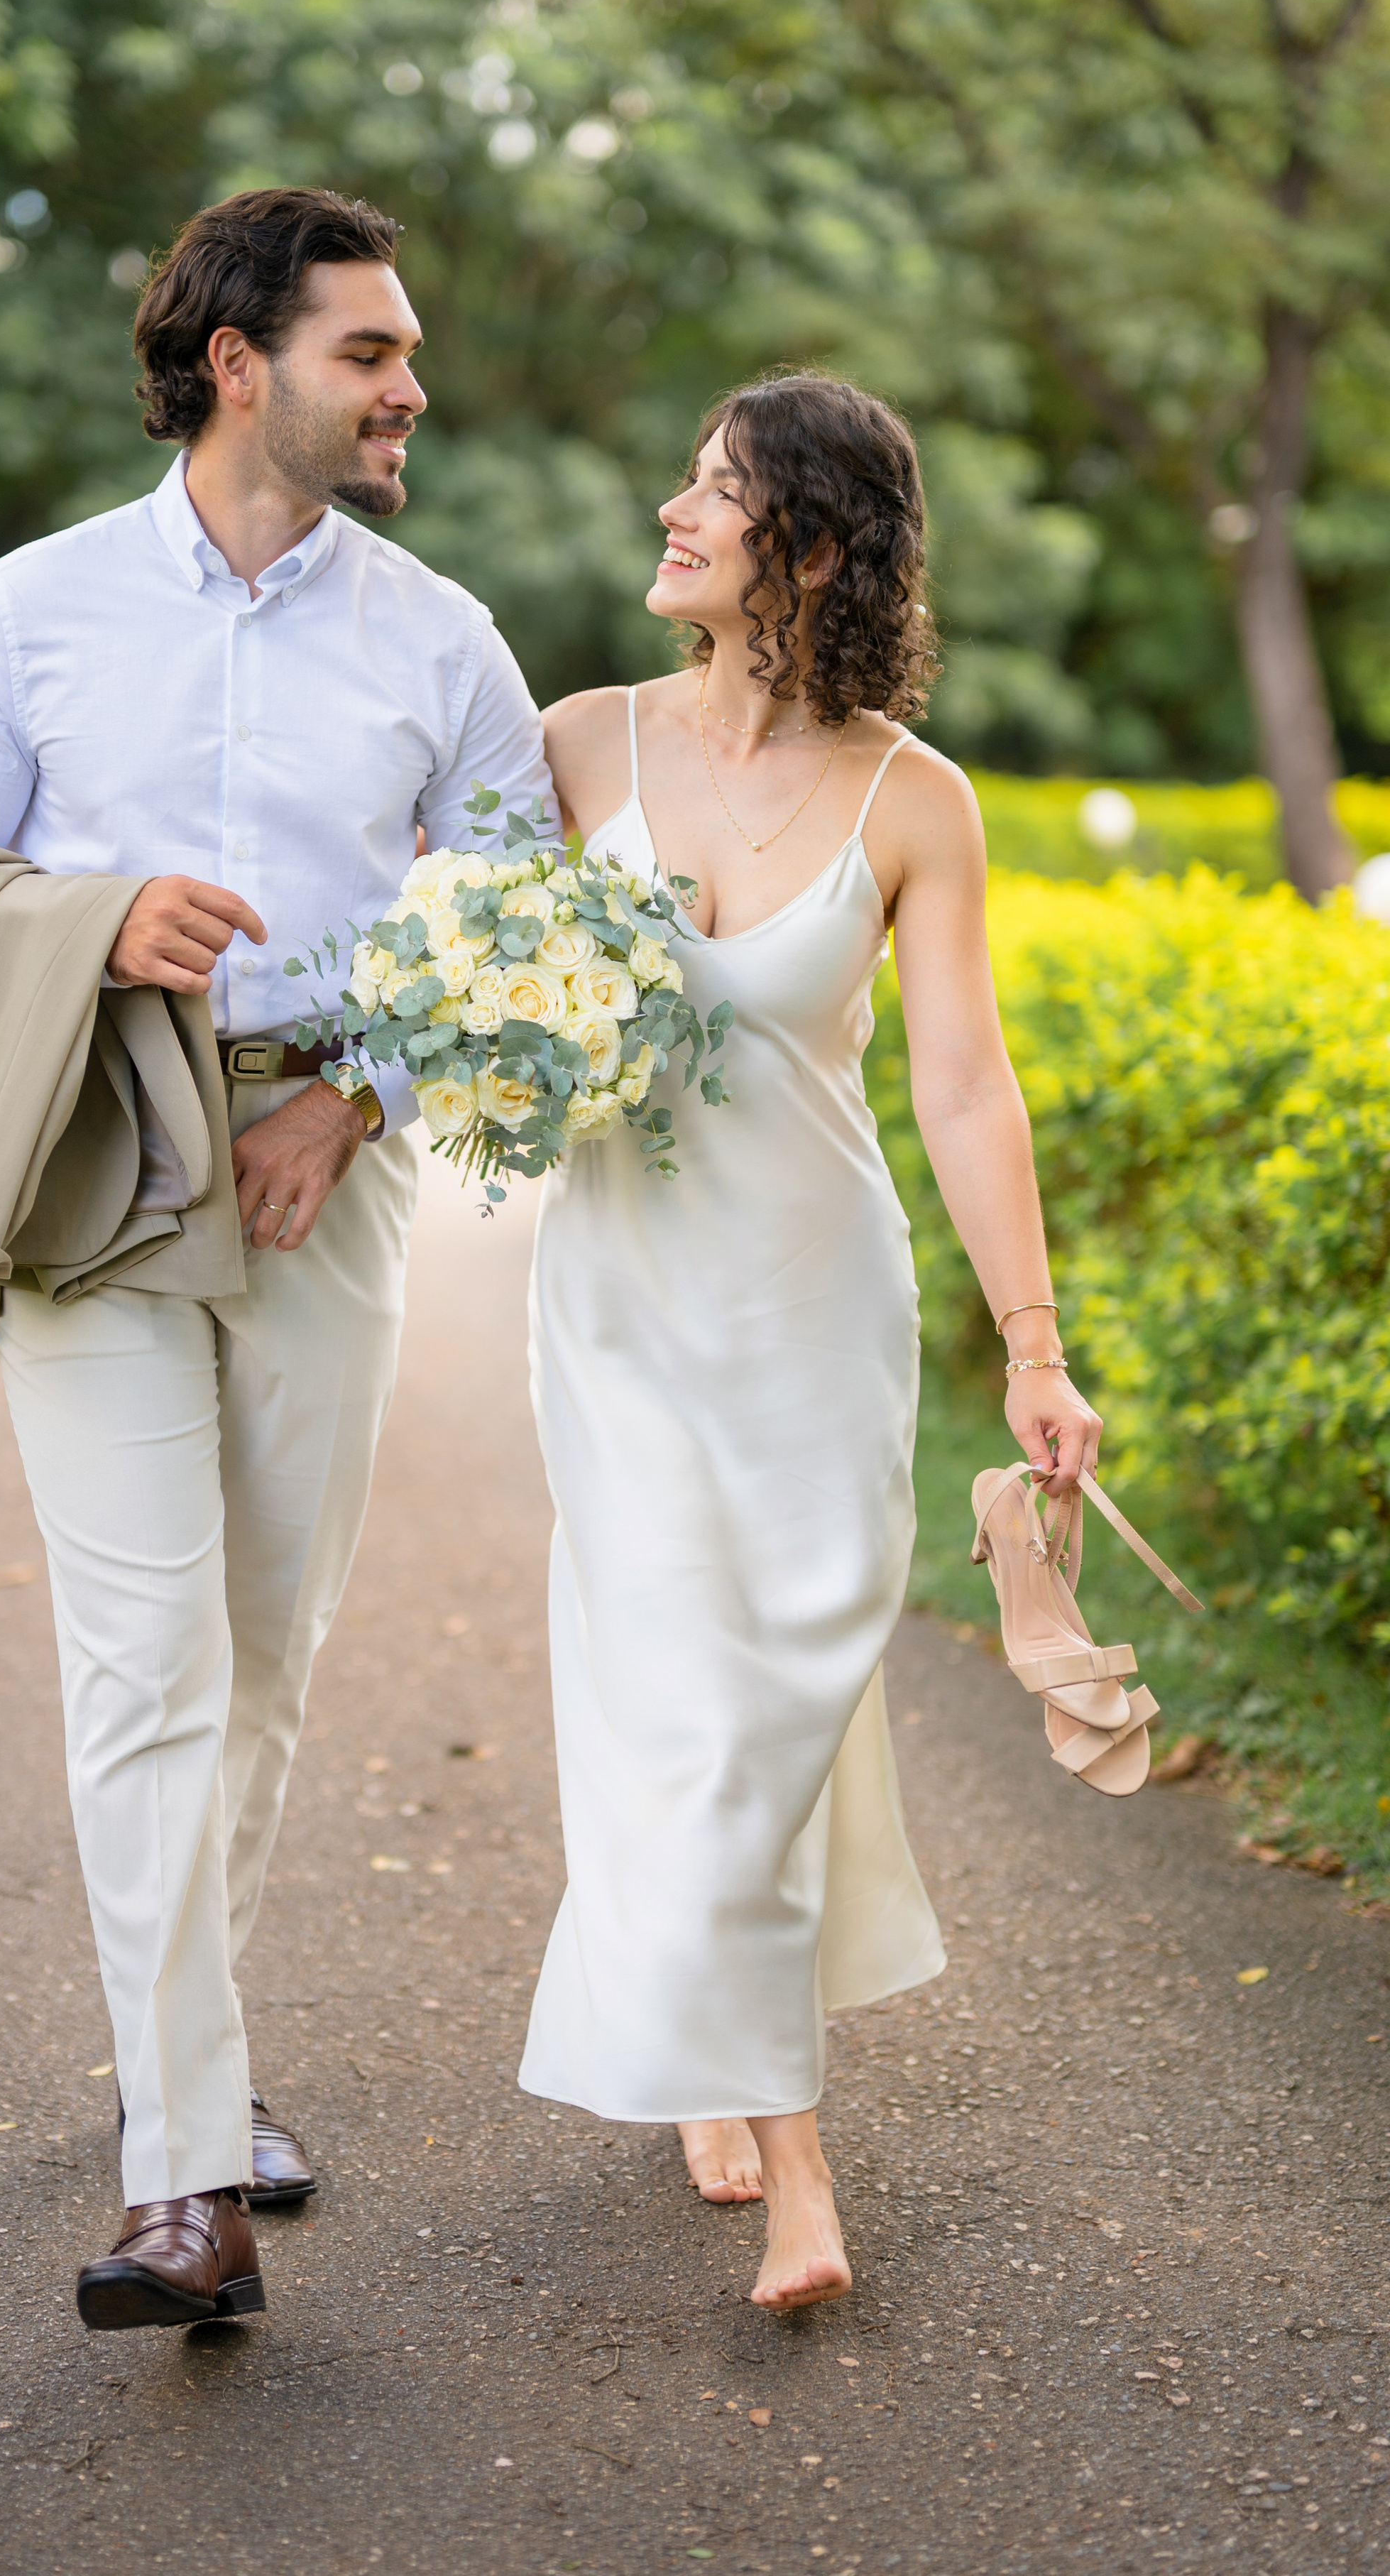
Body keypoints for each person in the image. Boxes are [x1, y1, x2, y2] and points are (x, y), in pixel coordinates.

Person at [0, 185, 552, 2327]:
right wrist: (96, 920)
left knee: (260, 1659)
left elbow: (534, 926)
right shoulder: (36, 608)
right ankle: (187, 2181)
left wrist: (359, 1103)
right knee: (145, 1662)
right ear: (239, 363)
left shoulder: (438, 630)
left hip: (326, 1172)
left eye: (407, 353)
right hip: (98, 1159)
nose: (411, 383)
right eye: (371, 351)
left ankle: (196, 2074)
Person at [519, 371, 1101, 2310]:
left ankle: (703, 2018)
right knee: (684, 1695)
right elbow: (470, 992)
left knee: (777, 1700)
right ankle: (799, 2172)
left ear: (818, 548)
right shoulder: (574, 749)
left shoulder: (913, 798)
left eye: (720, 492)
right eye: (682, 476)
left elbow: (964, 1087)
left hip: (812, 1311)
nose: (674, 513)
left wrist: (1034, 1347)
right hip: (622, 1309)